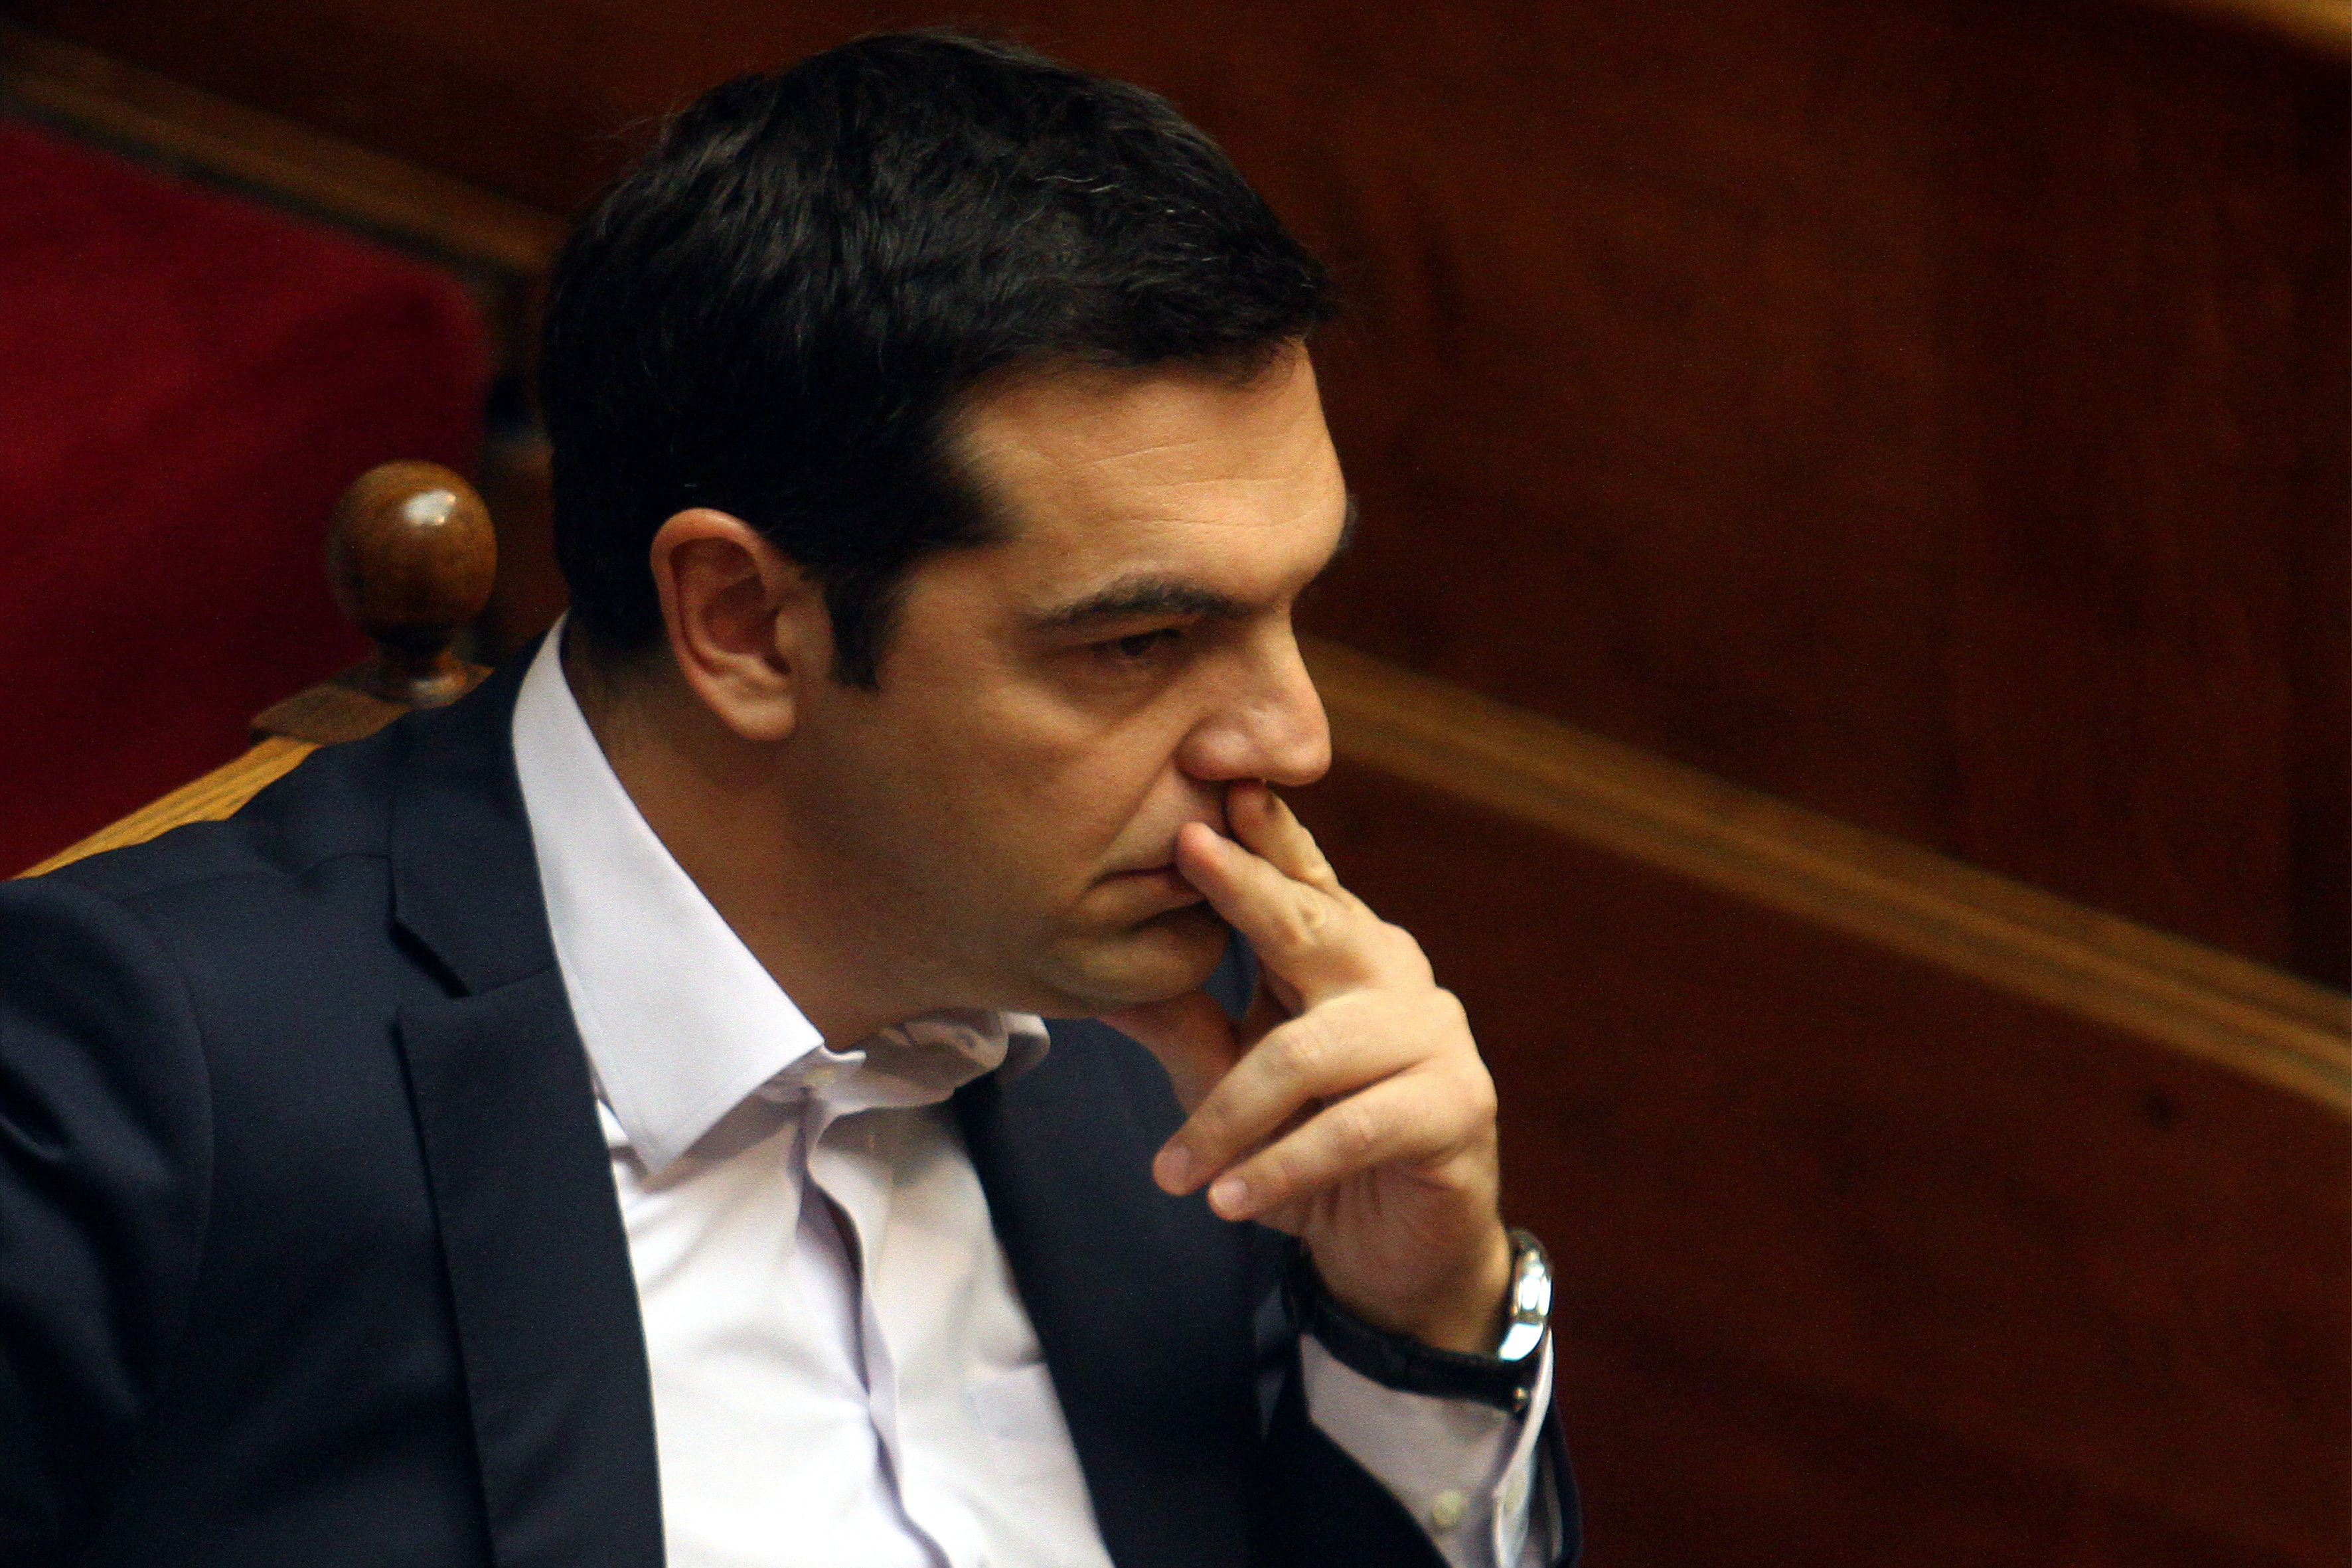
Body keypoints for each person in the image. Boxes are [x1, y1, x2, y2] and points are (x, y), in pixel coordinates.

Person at [2, 31, 1578, 1568]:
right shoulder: (142, 1084)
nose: (1290, 740)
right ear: (745, 621)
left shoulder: (1182, 1036)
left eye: (1291, 608)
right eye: (1140, 640)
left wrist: (1419, 1326)